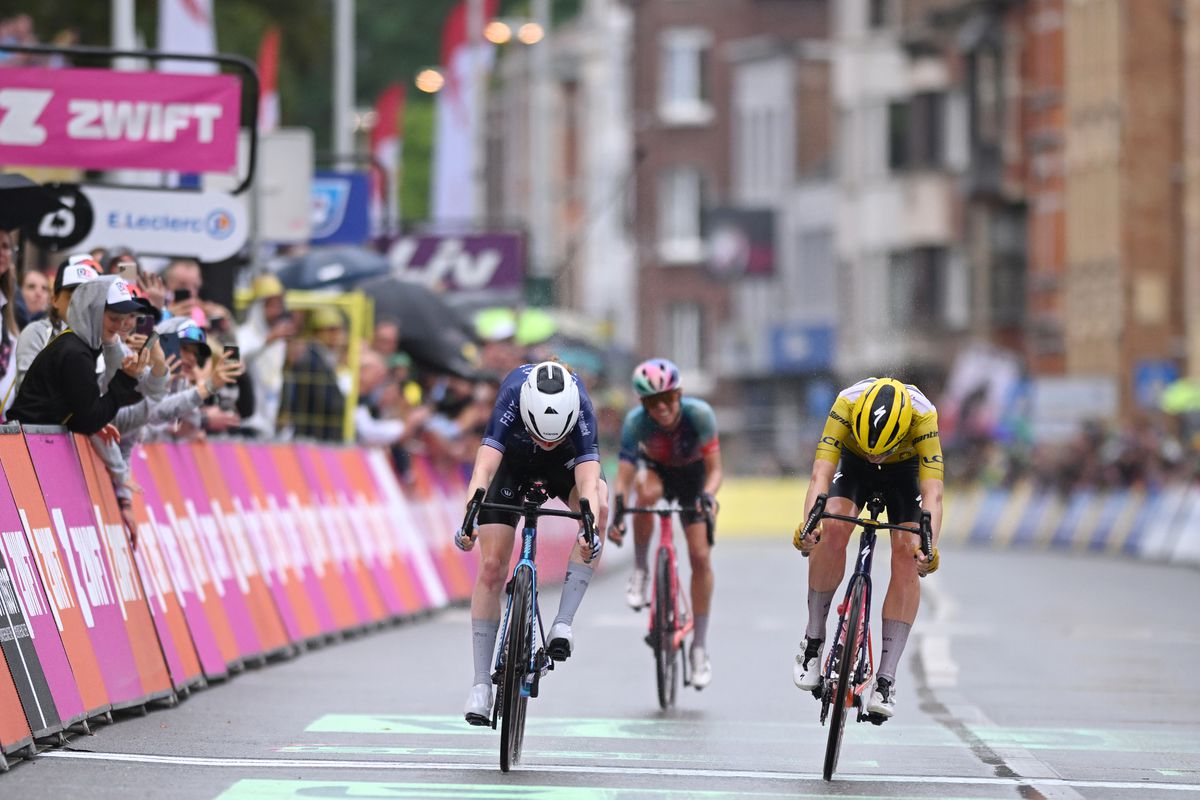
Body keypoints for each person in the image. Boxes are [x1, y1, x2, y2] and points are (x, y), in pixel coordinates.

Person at [454, 360, 609, 725]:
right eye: (542, 434)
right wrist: (468, 518)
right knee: (492, 567)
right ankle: (480, 686)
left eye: (555, 436)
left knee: (598, 502)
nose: (548, 442)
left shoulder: (581, 404)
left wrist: (590, 529)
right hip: (513, 463)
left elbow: (587, 484)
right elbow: (483, 470)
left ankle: (563, 624)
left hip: (563, 466)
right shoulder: (511, 393)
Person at [791, 377, 943, 720]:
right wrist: (808, 527)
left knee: (909, 552)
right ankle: (813, 639)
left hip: (905, 472)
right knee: (831, 527)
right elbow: (820, 475)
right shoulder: (846, 403)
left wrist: (928, 548)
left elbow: (933, 493)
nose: (878, 455)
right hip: (854, 466)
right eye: (872, 447)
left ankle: (886, 677)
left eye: (883, 449)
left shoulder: (923, 416)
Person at [607, 358, 723, 689]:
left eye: (668, 399)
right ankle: (642, 569)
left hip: (693, 479)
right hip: (656, 472)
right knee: (645, 494)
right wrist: (618, 512)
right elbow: (625, 476)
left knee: (700, 556)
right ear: (642, 404)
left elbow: (715, 469)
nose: (662, 408)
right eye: (652, 402)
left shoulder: (699, 414)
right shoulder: (635, 423)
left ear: (679, 394)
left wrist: (709, 495)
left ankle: (698, 648)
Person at [8, 276, 148, 433]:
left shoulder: (76, 343)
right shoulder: (76, 352)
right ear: (92, 312)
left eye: (123, 319)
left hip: (33, 440)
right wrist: (126, 379)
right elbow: (90, 421)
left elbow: (74, 412)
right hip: (26, 444)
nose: (119, 326)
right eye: (113, 318)